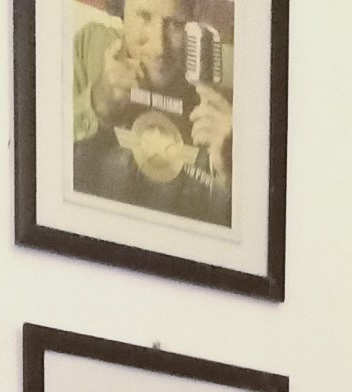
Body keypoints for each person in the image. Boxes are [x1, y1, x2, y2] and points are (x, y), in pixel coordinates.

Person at [71, 0, 234, 226]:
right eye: (144, 16)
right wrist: (96, 104)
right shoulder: (89, 47)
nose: (159, 48)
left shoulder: (216, 104)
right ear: (120, 9)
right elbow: (42, 168)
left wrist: (231, 173)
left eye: (177, 23)